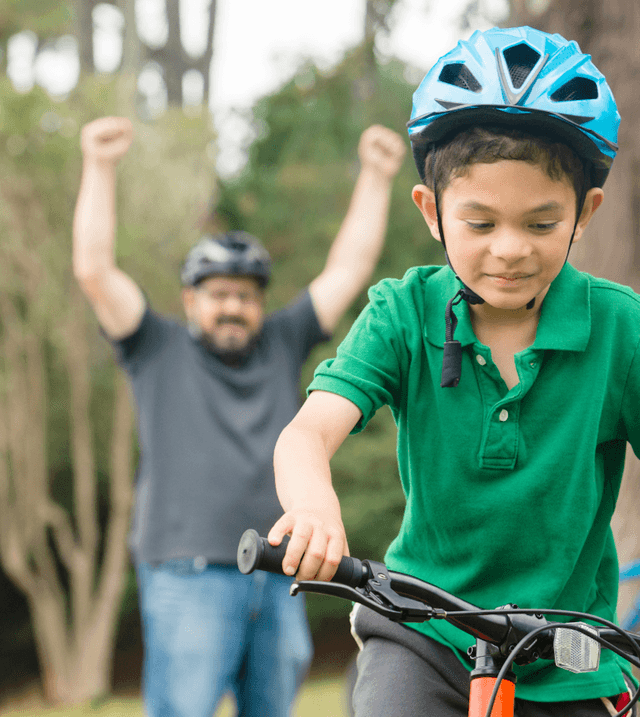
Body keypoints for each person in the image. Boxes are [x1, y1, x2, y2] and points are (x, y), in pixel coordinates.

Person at [267, 26, 639, 716]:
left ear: (584, 214)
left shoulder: (621, 329)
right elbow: (307, 434)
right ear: (431, 212)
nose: (509, 249)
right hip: (426, 634)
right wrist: (313, 506)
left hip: (571, 654)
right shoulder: (402, 313)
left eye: (539, 223)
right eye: (480, 222)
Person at [72, 116, 406, 717]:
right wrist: (99, 165)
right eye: (218, 292)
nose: (233, 305)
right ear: (190, 300)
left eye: (246, 294)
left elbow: (348, 269)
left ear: (260, 302)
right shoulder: (154, 347)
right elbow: (94, 270)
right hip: (187, 577)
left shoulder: (282, 343)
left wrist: (379, 175)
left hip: (279, 574)